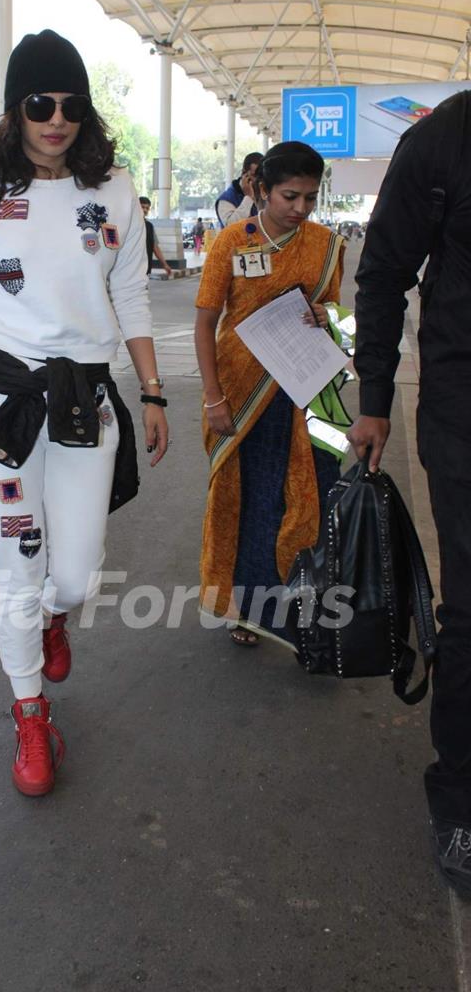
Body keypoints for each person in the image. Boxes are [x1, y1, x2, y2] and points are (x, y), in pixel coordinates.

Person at [0, 28, 168, 798]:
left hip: (87, 403)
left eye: (70, 104)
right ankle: (30, 714)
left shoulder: (114, 190)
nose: (56, 118)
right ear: (14, 111)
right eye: (39, 103)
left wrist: (152, 392)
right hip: (5, 411)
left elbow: (131, 298)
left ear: (86, 112)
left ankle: (56, 617)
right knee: (18, 577)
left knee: (77, 578)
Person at [348, 89, 471, 898]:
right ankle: (459, 799)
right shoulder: (446, 141)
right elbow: (384, 273)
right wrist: (376, 400)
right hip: (465, 415)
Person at [194, 141, 345, 643]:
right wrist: (213, 398)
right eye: (289, 196)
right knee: (253, 501)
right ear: (260, 189)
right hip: (244, 397)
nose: (300, 208)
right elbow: (205, 323)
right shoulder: (232, 242)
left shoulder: (326, 244)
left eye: (309, 197)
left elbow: (344, 319)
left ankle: (311, 610)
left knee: (312, 499)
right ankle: (252, 611)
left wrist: (331, 318)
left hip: (309, 395)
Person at [215, 151, 264, 228]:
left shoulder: (264, 193)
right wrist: (248, 198)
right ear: (244, 174)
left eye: (262, 176)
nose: (259, 180)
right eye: (255, 175)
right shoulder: (227, 199)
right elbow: (231, 226)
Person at [138, 196, 172, 276]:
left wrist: (165, 264)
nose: (145, 210)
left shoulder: (149, 226)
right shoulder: (129, 225)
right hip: (129, 267)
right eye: (142, 207)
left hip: (145, 267)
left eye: (147, 208)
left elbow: (155, 247)